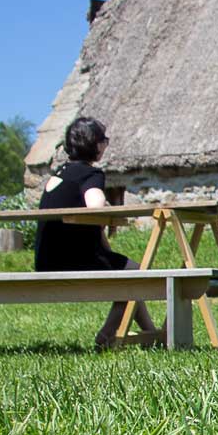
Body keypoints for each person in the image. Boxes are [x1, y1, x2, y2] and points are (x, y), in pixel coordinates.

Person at [36, 116, 164, 350]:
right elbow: (94, 207)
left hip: (46, 260)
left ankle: (150, 334)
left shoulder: (59, 174)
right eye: (104, 140)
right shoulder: (90, 174)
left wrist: (106, 248)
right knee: (135, 273)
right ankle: (107, 334)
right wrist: (108, 209)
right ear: (95, 144)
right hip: (73, 260)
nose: (106, 144)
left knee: (129, 273)